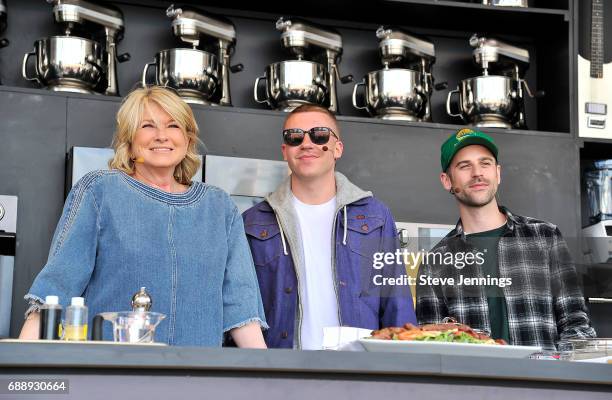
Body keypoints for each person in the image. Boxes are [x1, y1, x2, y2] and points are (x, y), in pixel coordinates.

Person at [19, 86, 267, 348]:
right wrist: (21, 366)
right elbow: (57, 285)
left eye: (173, 126)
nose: (162, 136)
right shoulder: (100, 191)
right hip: (112, 373)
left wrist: (266, 380)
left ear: (188, 139)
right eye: (148, 126)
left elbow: (241, 306)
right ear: (129, 139)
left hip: (198, 376)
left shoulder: (219, 206)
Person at [242, 104, 416, 349]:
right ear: (285, 150)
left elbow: (396, 303)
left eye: (319, 134)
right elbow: (241, 307)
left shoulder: (376, 216)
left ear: (338, 148)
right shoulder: (253, 221)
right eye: (295, 137)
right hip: (281, 371)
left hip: (360, 369)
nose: (306, 143)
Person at [416, 128, 596, 349]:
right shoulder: (434, 263)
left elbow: (576, 325)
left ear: (498, 173)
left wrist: (557, 374)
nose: (477, 173)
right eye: (465, 166)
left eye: (485, 163)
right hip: (473, 383)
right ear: (447, 181)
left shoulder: (545, 237)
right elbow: (431, 345)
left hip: (545, 379)